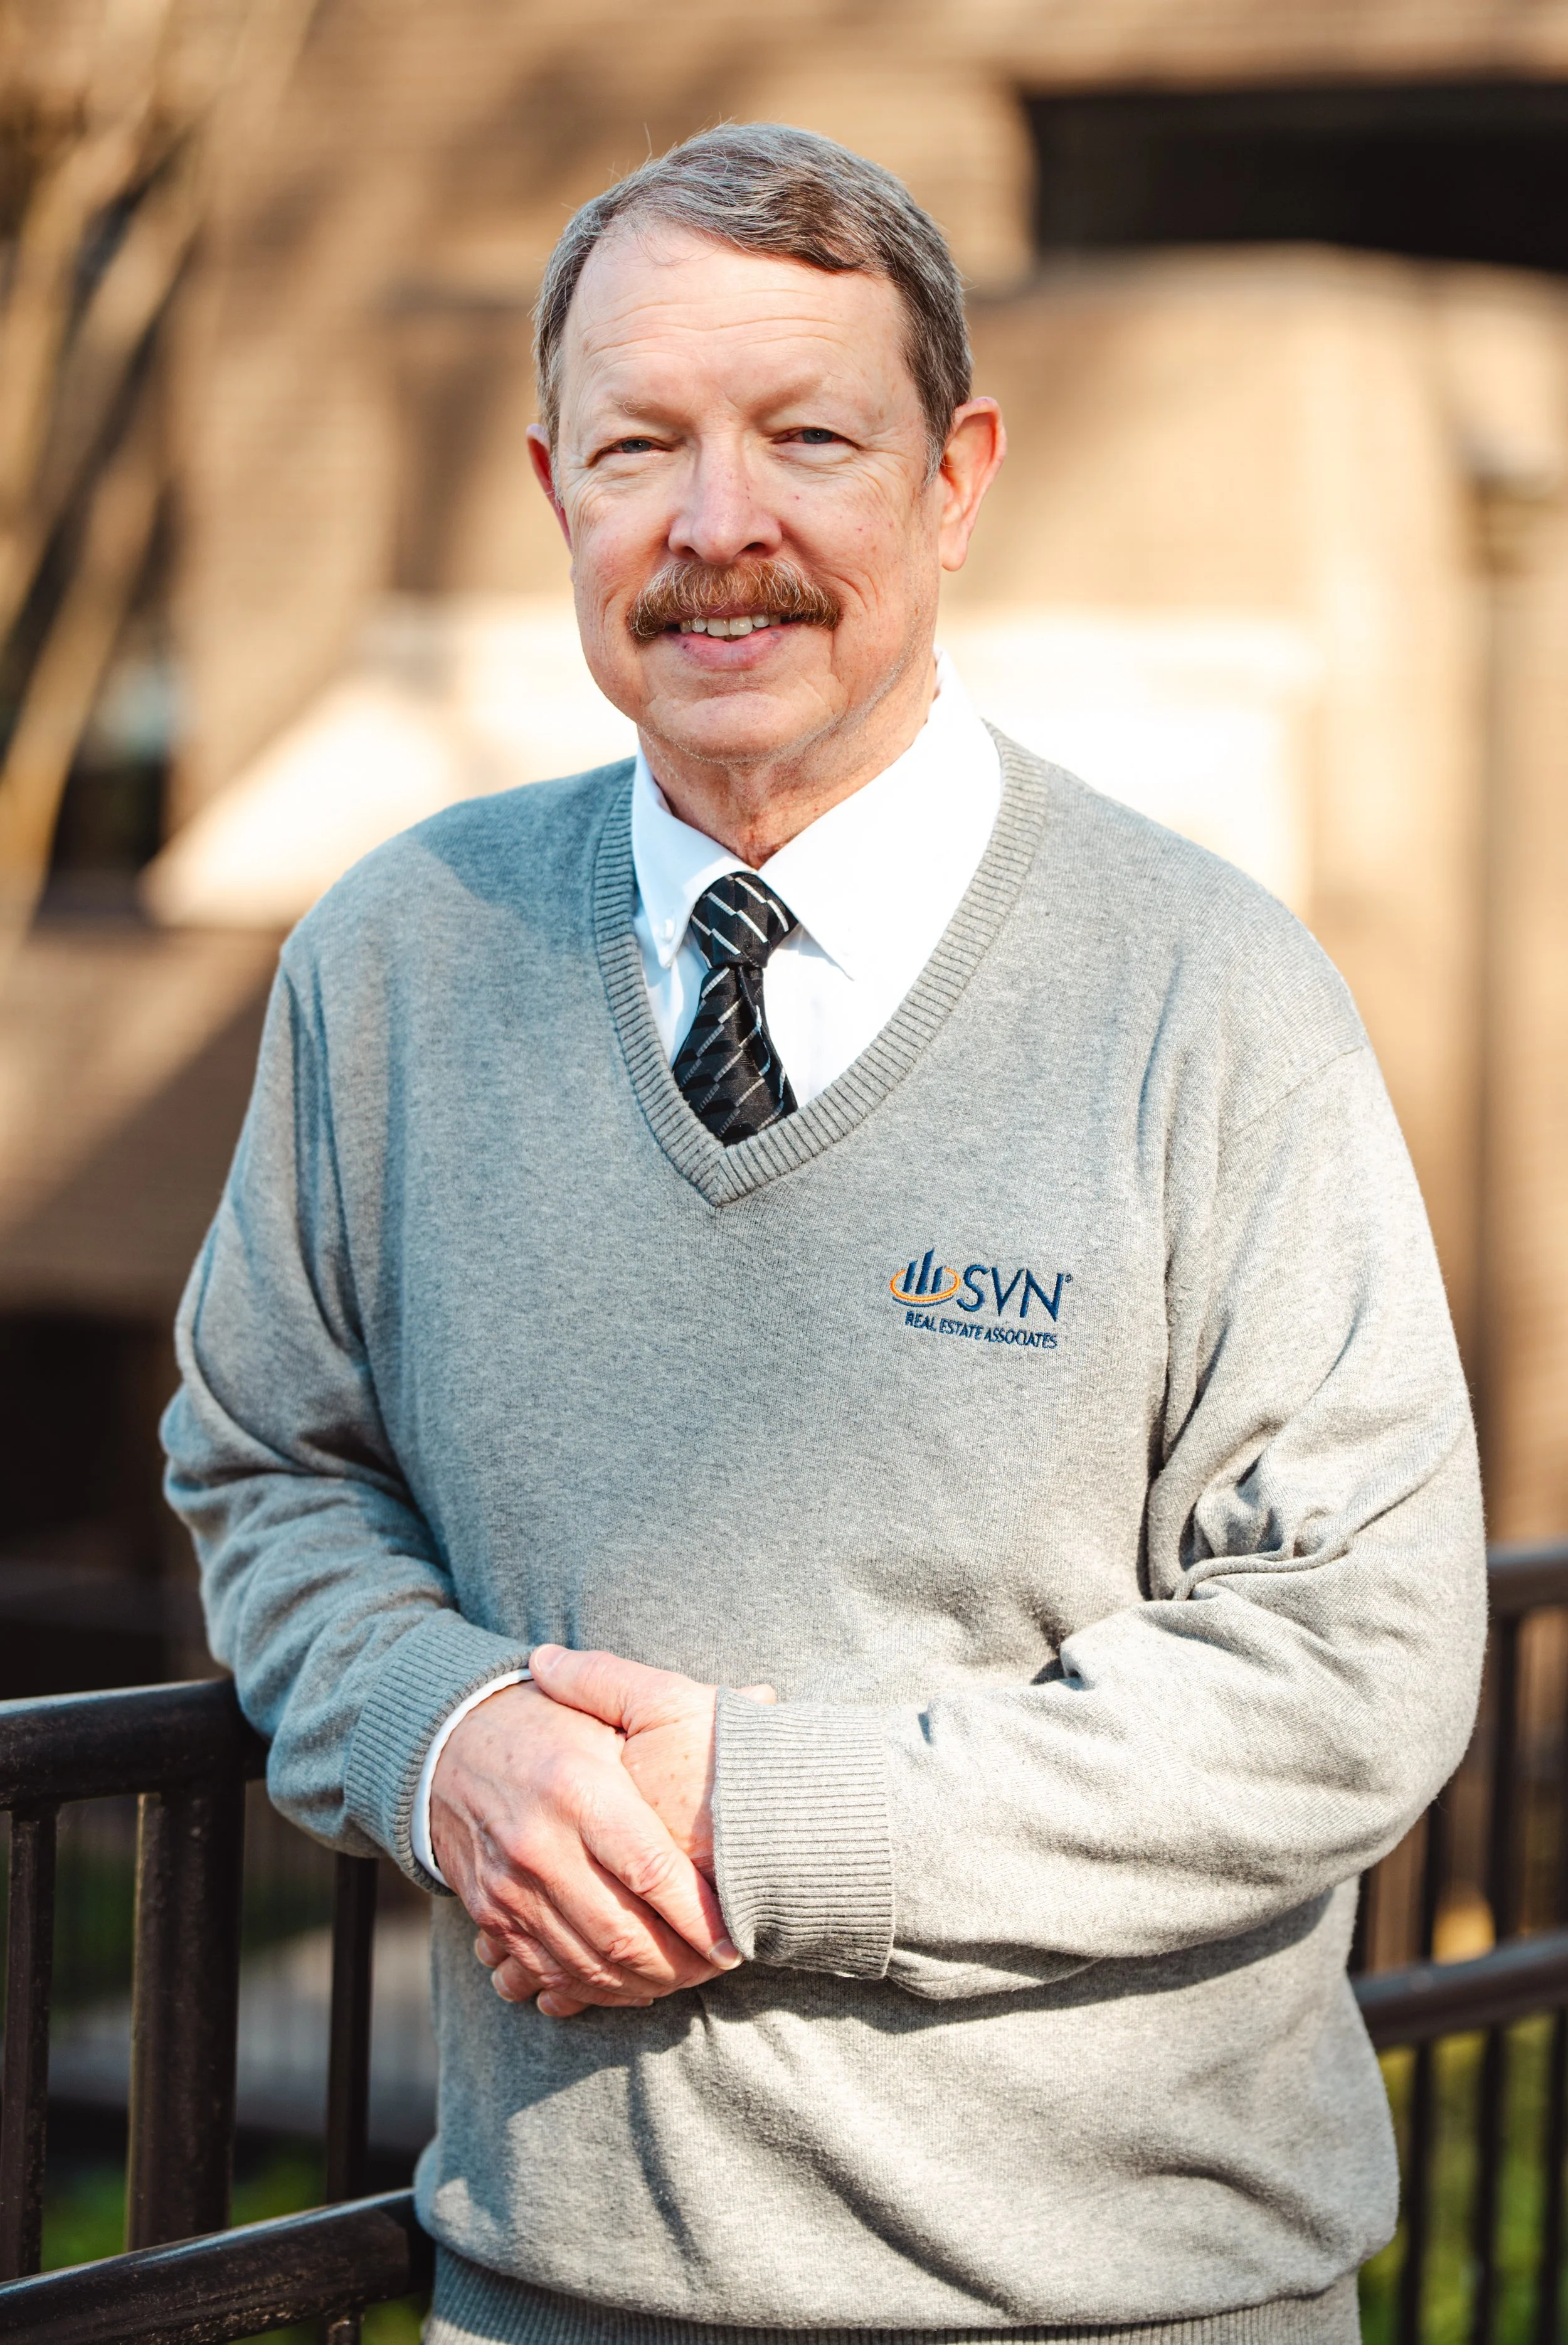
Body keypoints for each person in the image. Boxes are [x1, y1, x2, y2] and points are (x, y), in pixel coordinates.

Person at [164, 123, 1486, 2345]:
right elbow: (268, 1471)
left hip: (1126, 2305)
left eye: (806, 438)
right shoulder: (396, 964)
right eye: (638, 448)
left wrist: (757, 1822)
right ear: (550, 485)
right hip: (552, 2285)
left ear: (954, 480)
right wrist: (443, 1731)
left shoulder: (1204, 994)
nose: (715, 529)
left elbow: (1351, 1658)